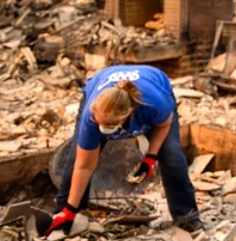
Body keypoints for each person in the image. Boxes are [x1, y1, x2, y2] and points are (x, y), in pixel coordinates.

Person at [47, 65, 201, 235]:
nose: (103, 129)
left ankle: (186, 216)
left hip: (153, 85)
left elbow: (164, 125)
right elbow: (84, 165)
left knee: (171, 155)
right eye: (101, 123)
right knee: (76, 157)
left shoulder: (155, 104)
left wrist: (151, 157)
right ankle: (68, 215)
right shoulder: (91, 116)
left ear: (128, 114)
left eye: (110, 125)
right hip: (102, 88)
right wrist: (69, 209)